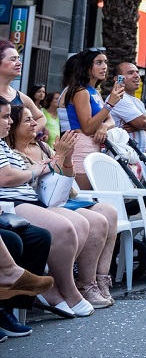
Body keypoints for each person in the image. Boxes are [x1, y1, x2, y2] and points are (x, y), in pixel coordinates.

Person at [0, 99, 99, 316]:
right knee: (63, 228)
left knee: (83, 223)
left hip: (34, 200)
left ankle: (69, 285)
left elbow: (65, 187)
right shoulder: (12, 150)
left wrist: (65, 158)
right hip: (13, 203)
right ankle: (65, 289)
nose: (36, 124)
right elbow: (7, 178)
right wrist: (43, 167)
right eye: (27, 121)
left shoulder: (8, 147)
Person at [61, 48, 122, 188]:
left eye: (105, 62)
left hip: (94, 145)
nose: (104, 67)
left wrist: (103, 126)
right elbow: (87, 128)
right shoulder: (80, 91)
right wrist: (110, 103)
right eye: (99, 63)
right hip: (81, 145)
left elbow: (111, 120)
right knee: (85, 195)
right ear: (87, 67)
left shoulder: (94, 92)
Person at [0, 41, 45, 135]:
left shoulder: (20, 97)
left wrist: (25, 135)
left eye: (18, 59)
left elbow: (41, 118)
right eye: (13, 59)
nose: (19, 63)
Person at [109, 61, 146, 153]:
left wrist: (140, 125)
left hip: (136, 159)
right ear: (118, 79)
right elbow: (144, 122)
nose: (136, 76)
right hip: (124, 157)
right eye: (130, 73)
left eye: (137, 72)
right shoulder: (119, 98)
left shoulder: (137, 101)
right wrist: (143, 122)